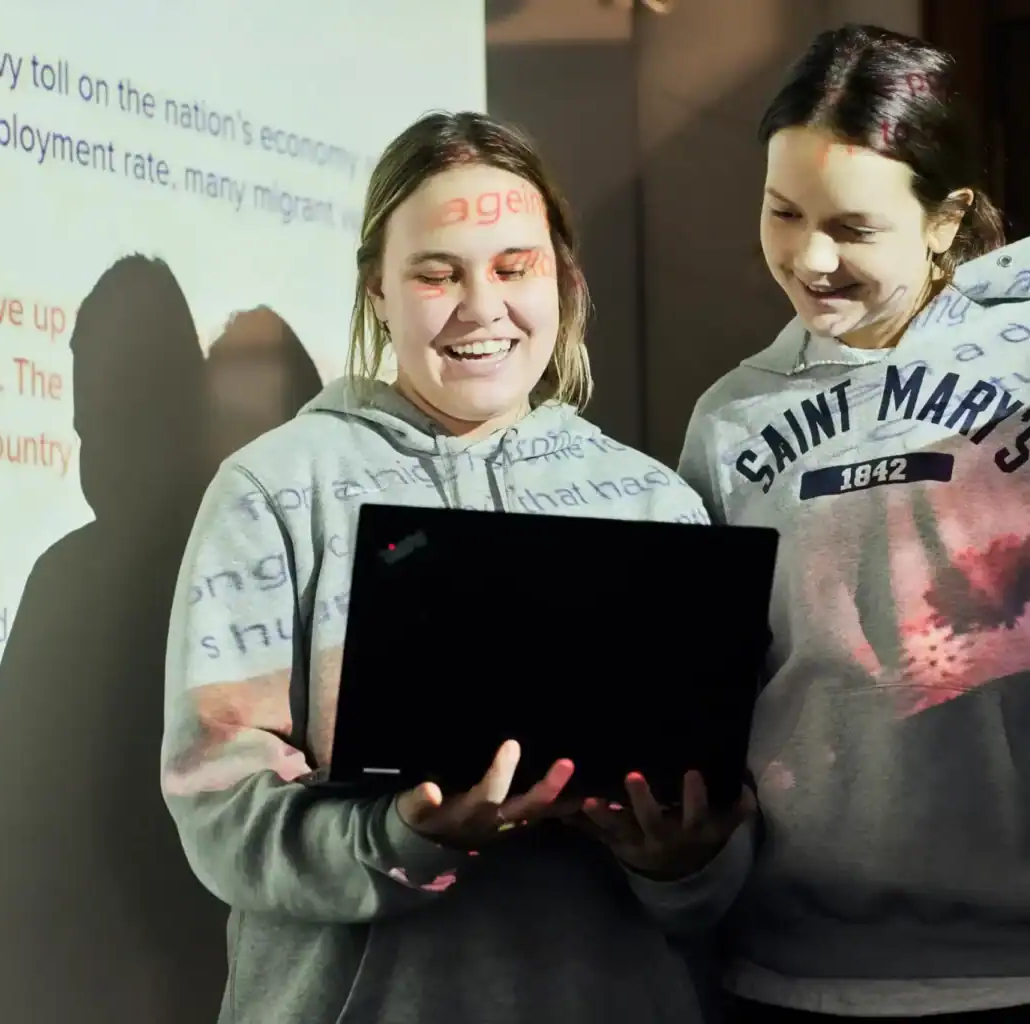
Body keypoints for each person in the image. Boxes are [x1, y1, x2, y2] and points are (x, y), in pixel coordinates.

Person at [670, 23, 1030, 1024]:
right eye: (782, 213)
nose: (811, 257)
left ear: (945, 217)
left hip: (1028, 984)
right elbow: (697, 730)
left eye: (854, 226)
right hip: (781, 981)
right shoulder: (728, 419)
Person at [161, 111, 748, 1024]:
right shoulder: (275, 490)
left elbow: (716, 872)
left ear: (565, 279)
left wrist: (681, 859)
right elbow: (219, 812)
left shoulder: (654, 502)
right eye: (438, 273)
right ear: (379, 291)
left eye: (515, 268)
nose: (481, 307)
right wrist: (399, 838)